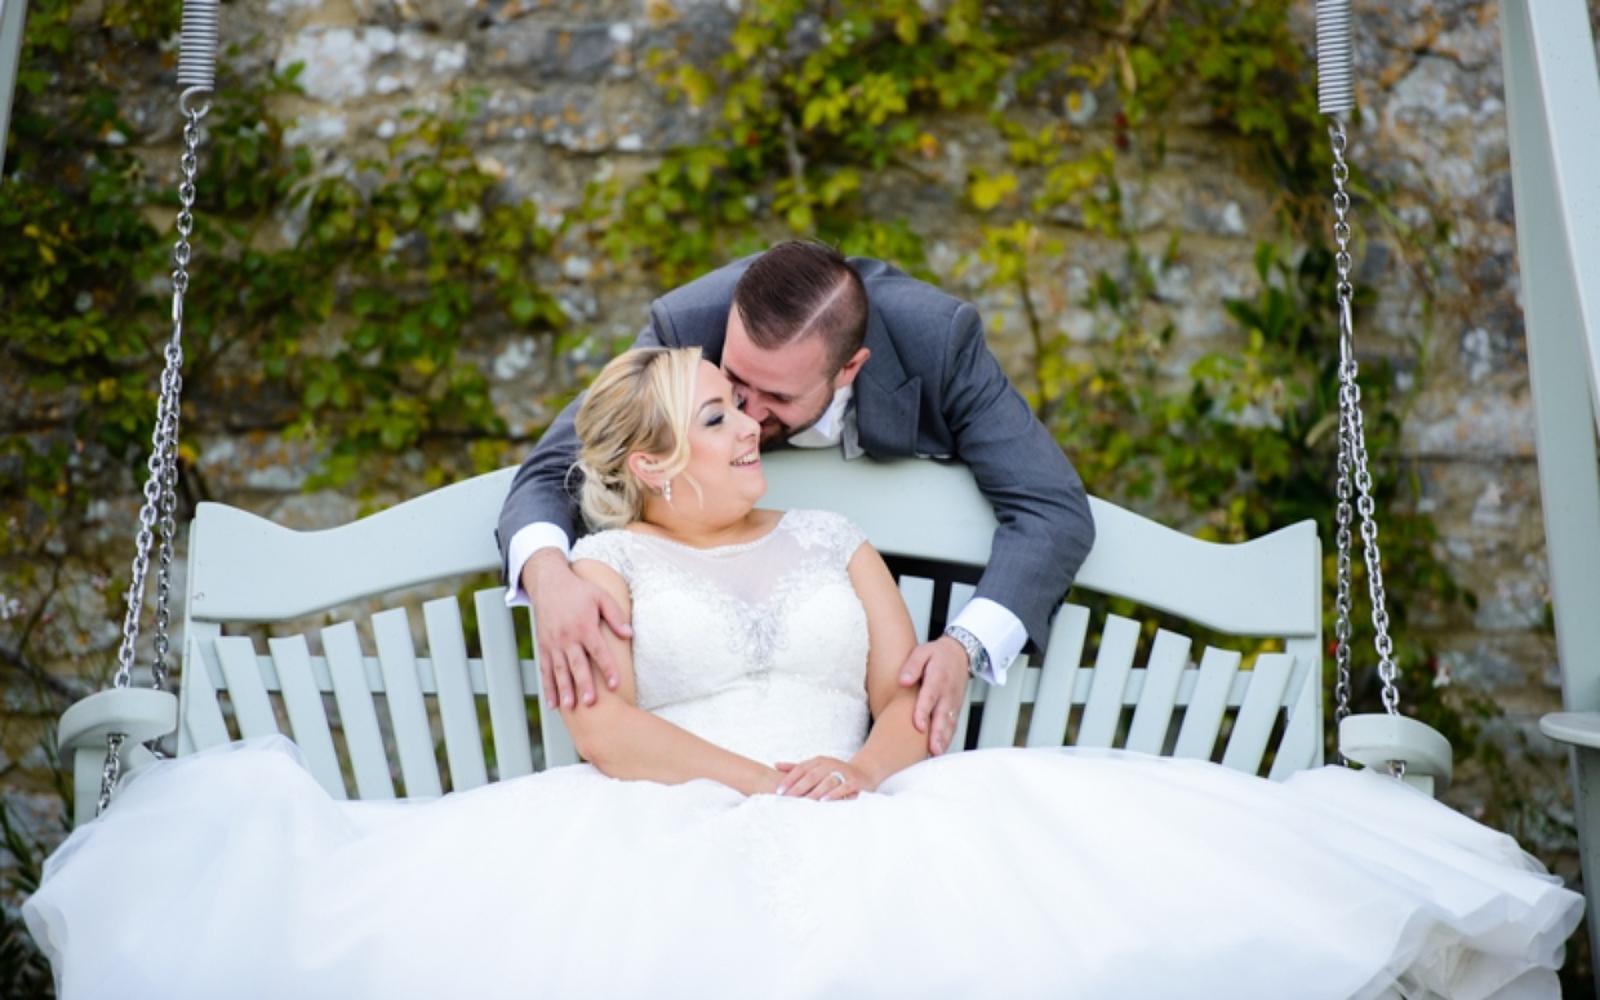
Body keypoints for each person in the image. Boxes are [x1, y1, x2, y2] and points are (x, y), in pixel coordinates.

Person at [24, 346, 1582, 999]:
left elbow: (910, 690)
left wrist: (869, 771)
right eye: (712, 416)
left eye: (743, 407)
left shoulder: (834, 531)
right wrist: (760, 783)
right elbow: (611, 736)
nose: (747, 427)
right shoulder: (603, 571)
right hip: (674, 807)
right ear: (637, 470)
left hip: (876, 800)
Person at [497, 240, 1095, 757]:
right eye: (733, 385)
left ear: (849, 369)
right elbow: (555, 468)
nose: (750, 416)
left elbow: (1051, 508)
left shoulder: (938, 341)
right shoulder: (686, 327)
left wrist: (965, 645)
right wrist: (549, 579)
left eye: (776, 397)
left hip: (905, 641)